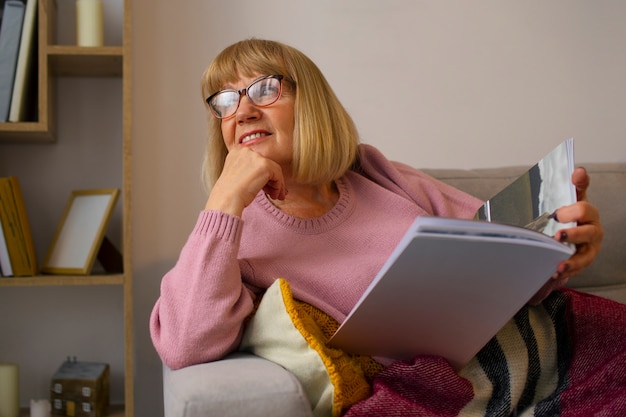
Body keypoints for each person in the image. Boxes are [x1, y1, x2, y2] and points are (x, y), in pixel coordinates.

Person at [150, 37, 603, 389]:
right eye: (223, 101)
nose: (242, 110)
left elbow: (503, 246)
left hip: (535, 347)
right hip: (441, 388)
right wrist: (224, 202)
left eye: (264, 88)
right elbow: (184, 345)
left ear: (311, 103)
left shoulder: (376, 171)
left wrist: (560, 244)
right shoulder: (233, 237)